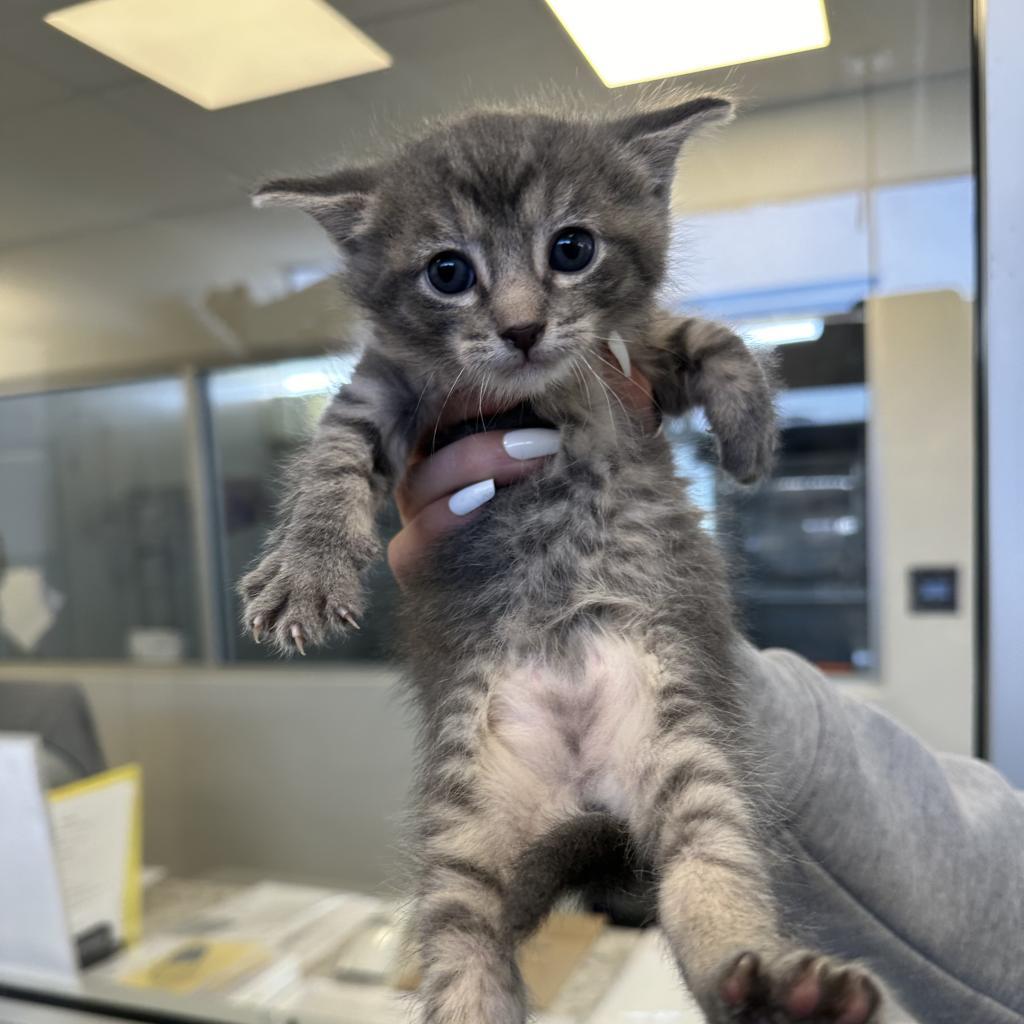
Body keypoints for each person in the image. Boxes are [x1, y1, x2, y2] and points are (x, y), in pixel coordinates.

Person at [387, 363, 1024, 1024]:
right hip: (556, 653)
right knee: (467, 897)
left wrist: (723, 389)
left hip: (637, 650)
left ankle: (733, 965)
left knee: (653, 864)